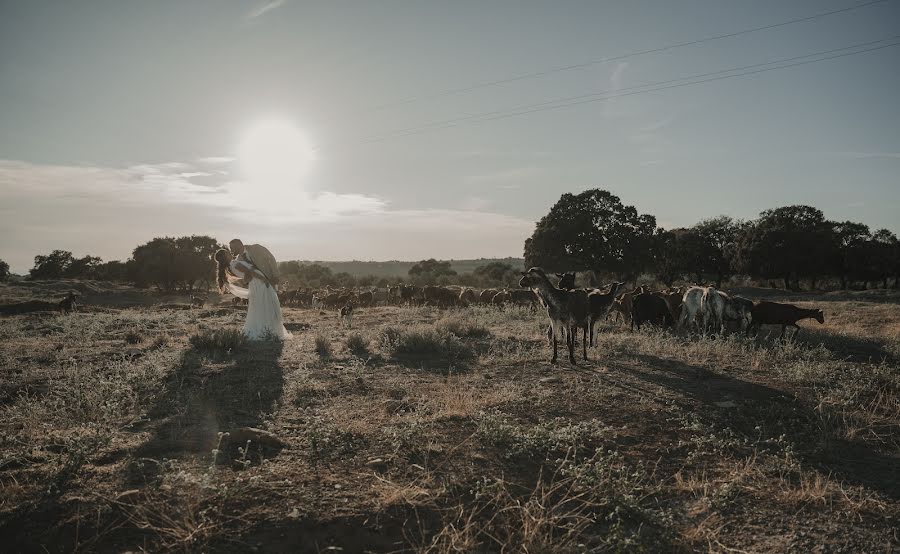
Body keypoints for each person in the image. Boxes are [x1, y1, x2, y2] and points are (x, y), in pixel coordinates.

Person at [214, 248, 290, 340]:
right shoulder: (234, 264)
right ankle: (267, 331)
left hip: (257, 284)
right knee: (267, 305)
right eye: (227, 252)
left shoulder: (233, 265)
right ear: (225, 257)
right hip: (260, 283)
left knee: (263, 306)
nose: (229, 252)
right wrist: (264, 279)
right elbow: (250, 272)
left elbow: (247, 275)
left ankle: (267, 330)